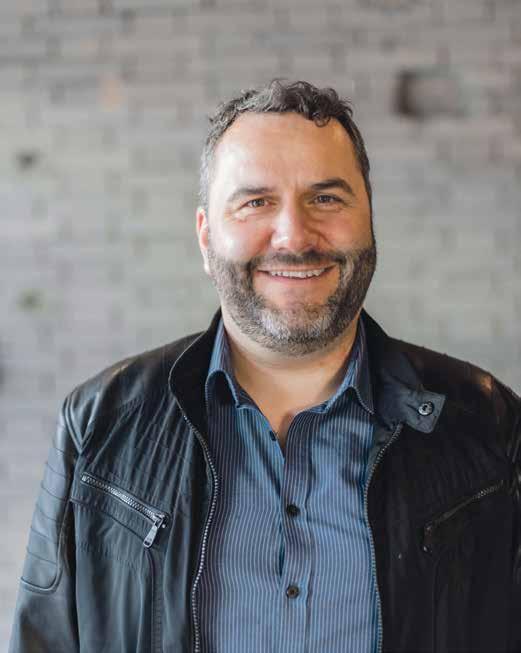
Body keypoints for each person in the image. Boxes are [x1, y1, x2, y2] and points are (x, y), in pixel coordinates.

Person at [8, 78, 521, 653]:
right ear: (206, 237)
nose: (294, 236)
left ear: (370, 220)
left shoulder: (488, 424)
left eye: (326, 198)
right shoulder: (100, 422)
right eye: (255, 202)